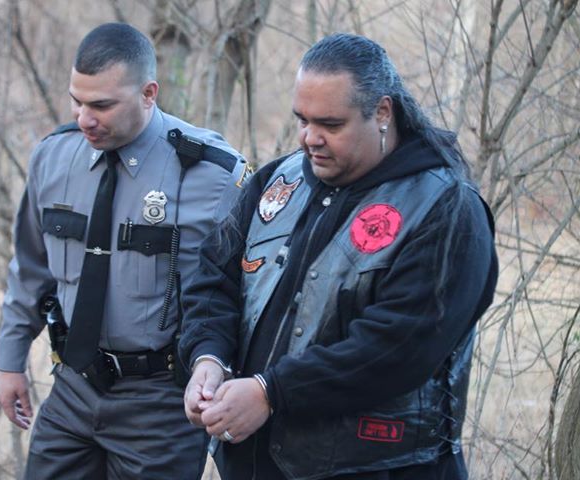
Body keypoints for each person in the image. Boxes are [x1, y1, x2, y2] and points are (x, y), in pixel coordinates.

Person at [180, 33, 498, 480]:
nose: (310, 138)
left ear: (383, 112)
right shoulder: (279, 181)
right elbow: (214, 280)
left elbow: (397, 347)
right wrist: (208, 358)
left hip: (384, 467)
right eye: (302, 120)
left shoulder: (445, 209)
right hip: (256, 463)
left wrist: (271, 393)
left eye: (330, 124)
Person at [0, 23, 249, 479]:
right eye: (77, 100)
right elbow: (31, 267)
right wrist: (9, 361)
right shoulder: (53, 158)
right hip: (73, 388)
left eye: (101, 105)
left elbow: (237, 295)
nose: (84, 118)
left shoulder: (213, 175)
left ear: (149, 93)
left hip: (161, 404)